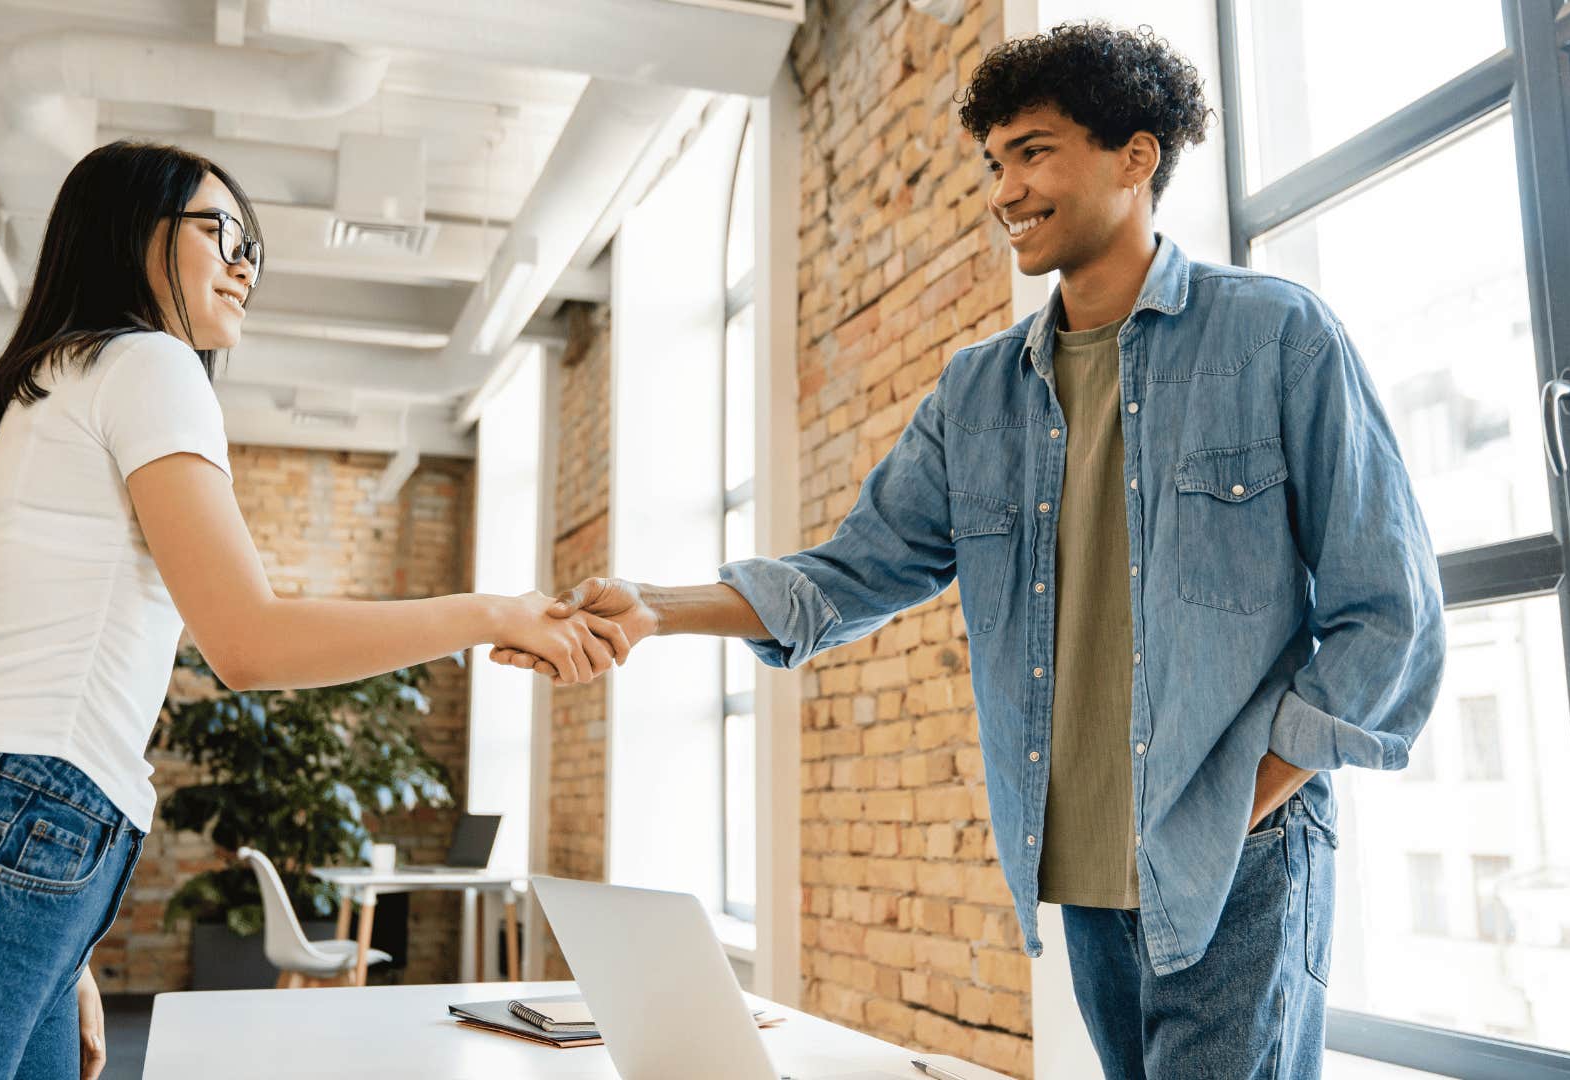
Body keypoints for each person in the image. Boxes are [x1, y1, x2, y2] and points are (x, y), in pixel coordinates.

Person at [495, 23, 1445, 1080]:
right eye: (996, 161)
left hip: (1244, 858)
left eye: (1034, 151)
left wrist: (1249, 792)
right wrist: (658, 605)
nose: (1005, 188)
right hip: (1084, 871)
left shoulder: (1278, 337)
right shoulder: (975, 393)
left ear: (1138, 156)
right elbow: (853, 572)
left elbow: (1388, 609)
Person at [0, 140, 629, 1080]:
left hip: (1, 840)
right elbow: (248, 642)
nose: (244, 261)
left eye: (252, 243)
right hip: (11, 836)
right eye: (217, 230)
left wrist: (64, 947)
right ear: (128, 231)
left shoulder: (44, 394)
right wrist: (494, 611)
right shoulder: (146, 363)